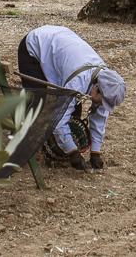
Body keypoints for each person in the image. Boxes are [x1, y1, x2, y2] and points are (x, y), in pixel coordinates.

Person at [16, 24, 126, 172]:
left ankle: (59, 147)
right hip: (36, 45)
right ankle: (20, 140)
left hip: (60, 42)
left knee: (74, 108)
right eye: (101, 101)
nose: (101, 105)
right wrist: (73, 152)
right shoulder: (78, 81)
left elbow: (99, 116)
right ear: (97, 88)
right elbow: (59, 117)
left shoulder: (106, 80)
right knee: (36, 102)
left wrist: (95, 152)